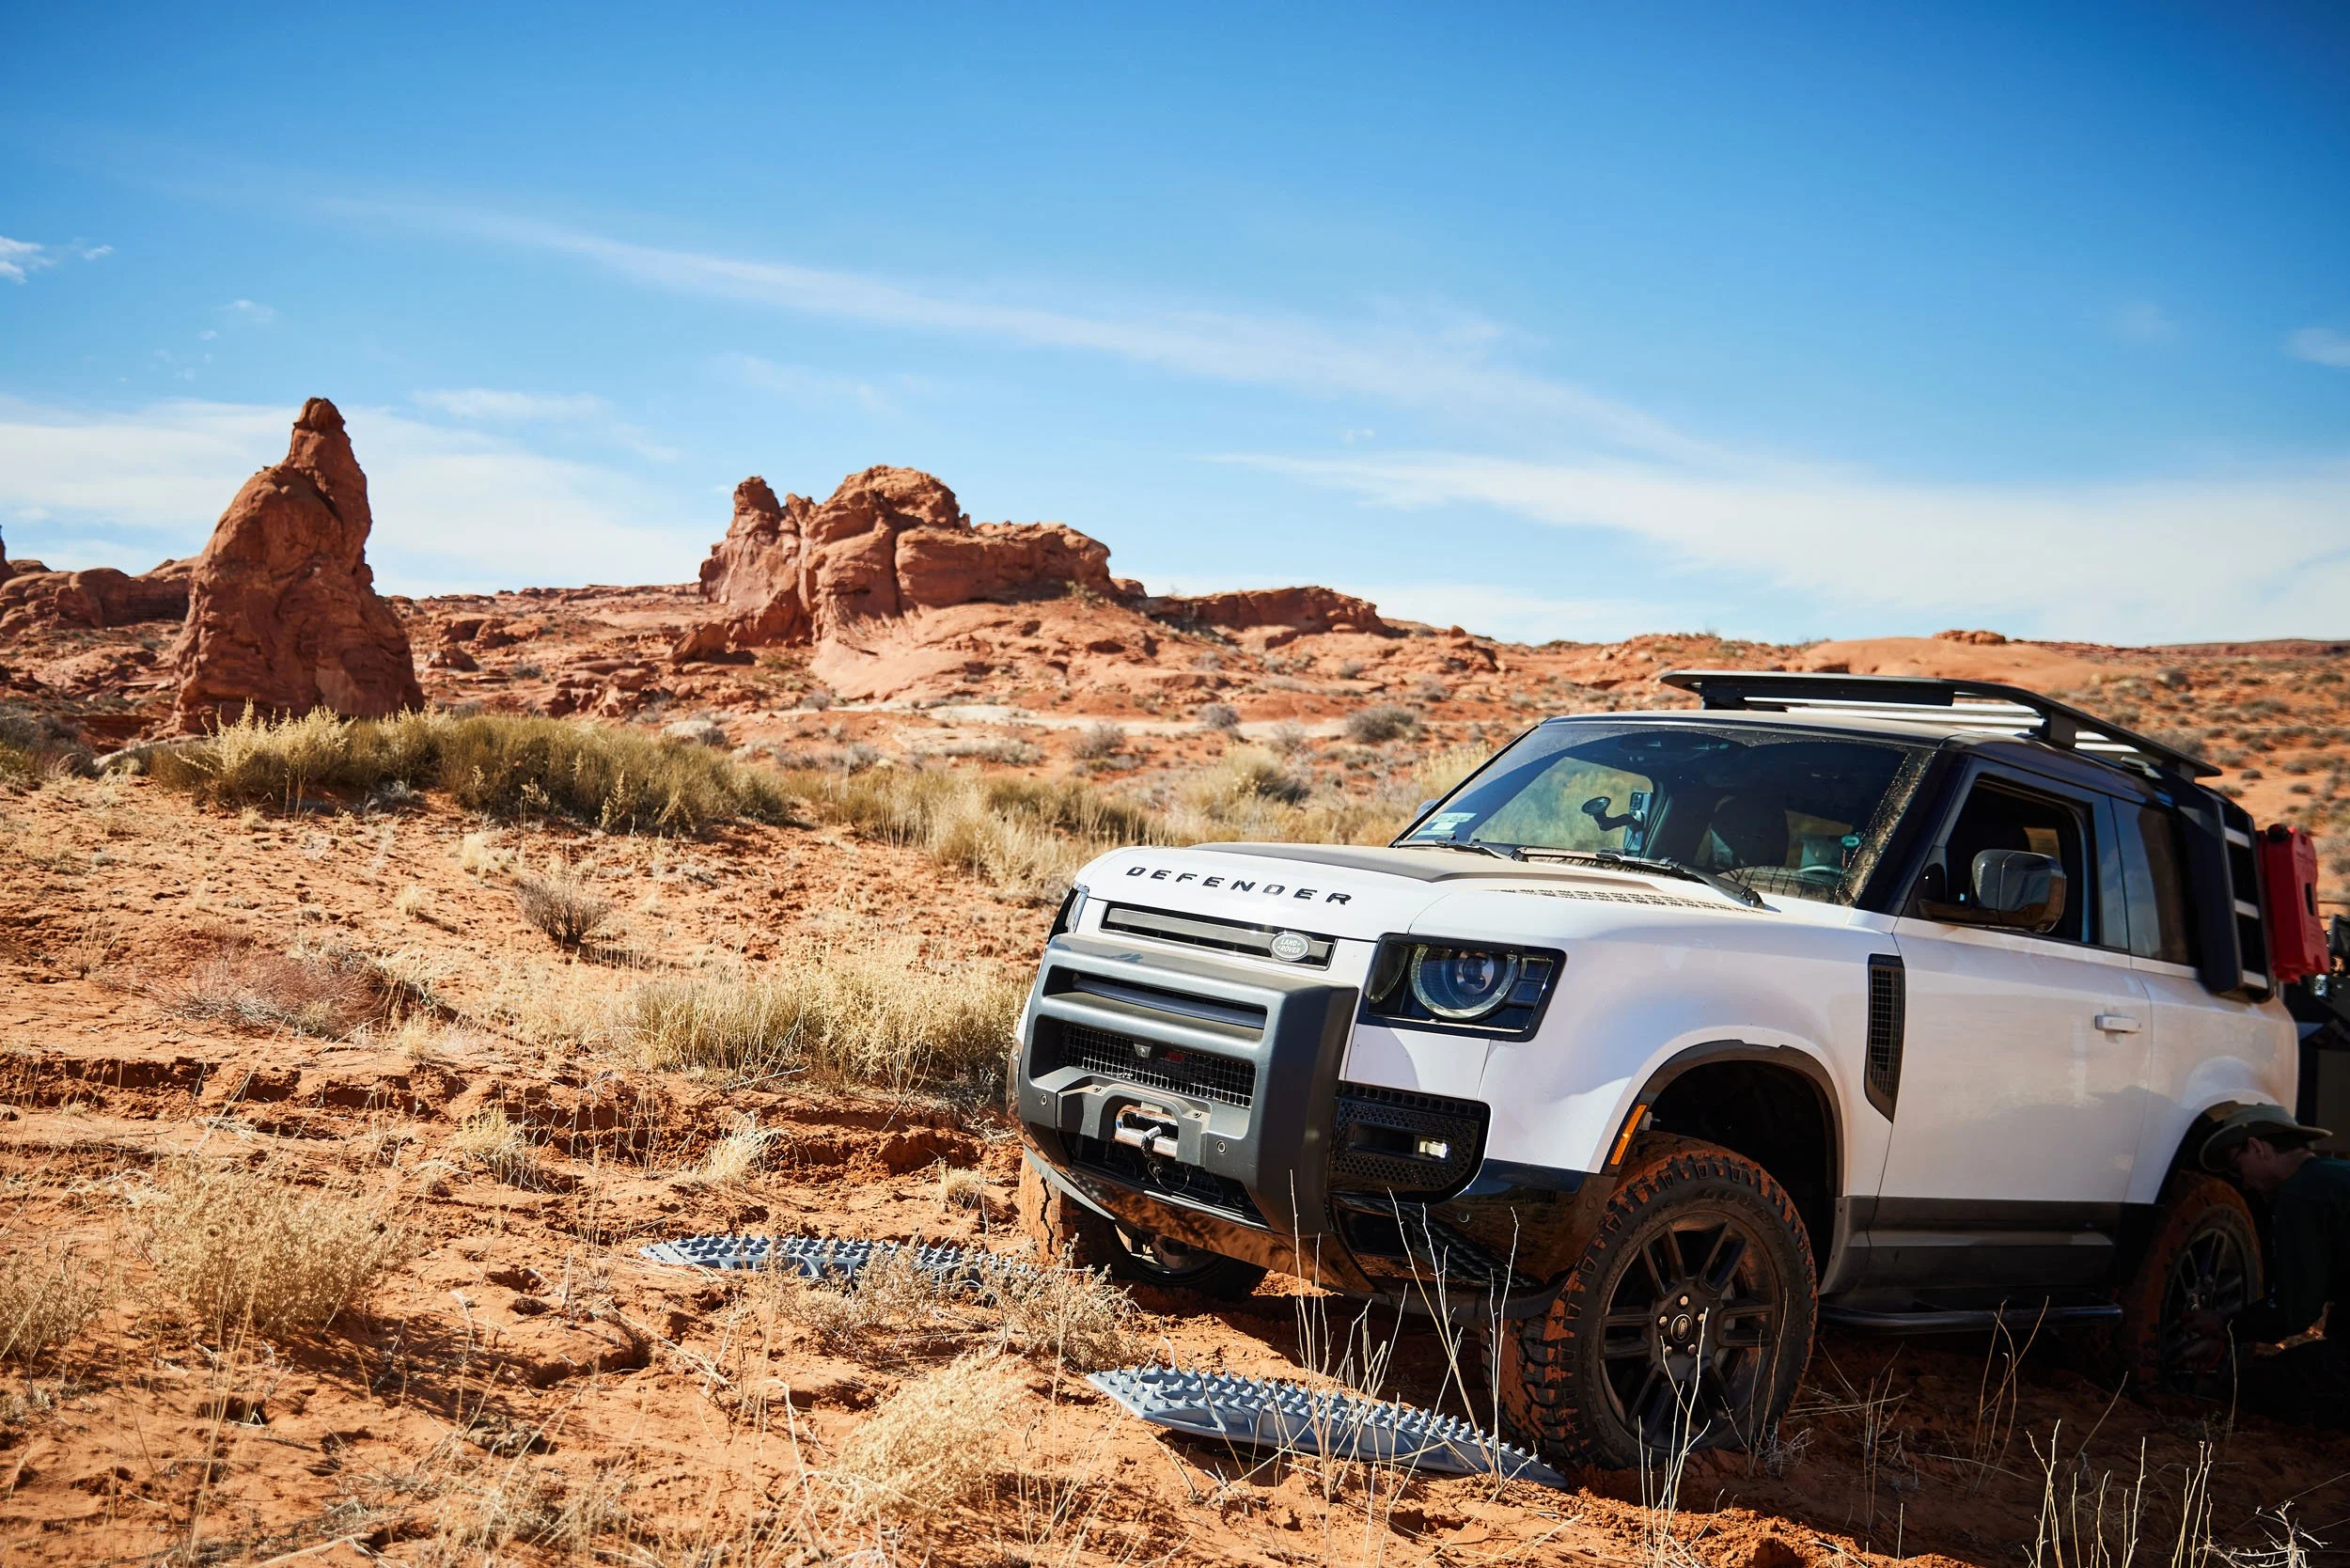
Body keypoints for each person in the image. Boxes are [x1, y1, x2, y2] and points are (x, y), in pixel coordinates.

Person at [2195, 1104, 2350, 1428]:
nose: (2244, 1183)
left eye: (2238, 1168)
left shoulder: (2301, 1193)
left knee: (2256, 1389)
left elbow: (2294, 1313)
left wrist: (2225, 1326)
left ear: (2257, 1147)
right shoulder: (2334, 1175)